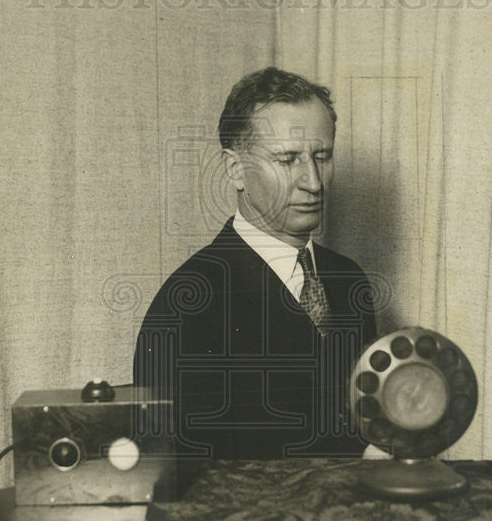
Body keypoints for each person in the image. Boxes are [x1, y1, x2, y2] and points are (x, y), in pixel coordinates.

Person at [133, 67, 378, 472]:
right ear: (234, 169)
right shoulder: (187, 303)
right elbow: (177, 471)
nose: (314, 183)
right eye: (287, 160)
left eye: (323, 156)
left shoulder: (349, 279)